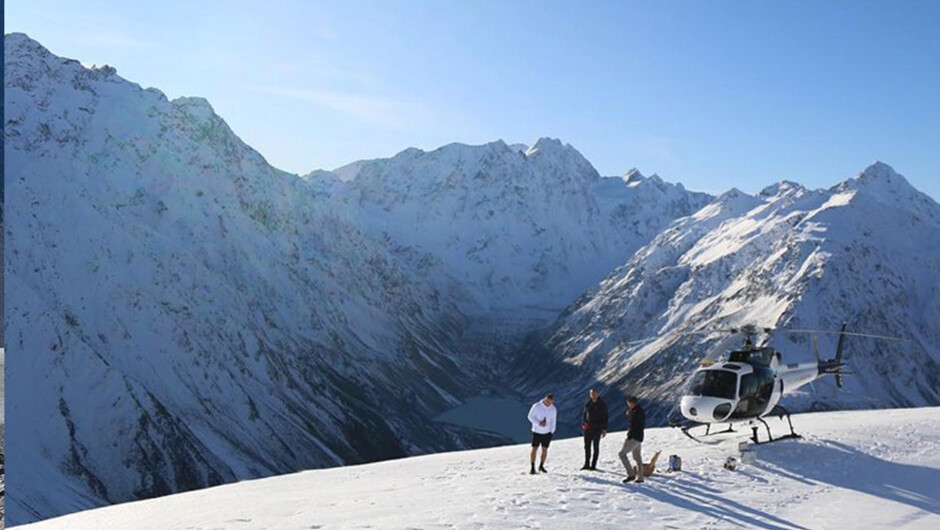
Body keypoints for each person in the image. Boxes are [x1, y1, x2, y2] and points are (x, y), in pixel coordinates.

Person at [527, 393, 557, 474]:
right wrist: (538, 423)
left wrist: (552, 431)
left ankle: (541, 466)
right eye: (547, 401)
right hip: (537, 431)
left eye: (550, 402)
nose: (549, 403)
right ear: (545, 399)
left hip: (547, 433)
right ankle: (532, 467)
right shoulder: (536, 406)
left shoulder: (553, 409)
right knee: (534, 448)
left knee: (545, 449)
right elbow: (530, 416)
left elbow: (554, 420)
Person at [619, 395, 645, 483]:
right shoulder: (639, 411)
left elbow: (633, 424)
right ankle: (640, 477)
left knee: (622, 454)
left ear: (632, 403)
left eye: (629, 403)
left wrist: (629, 436)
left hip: (634, 437)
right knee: (637, 457)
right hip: (639, 437)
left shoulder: (634, 412)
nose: (628, 405)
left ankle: (631, 474)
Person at [581, 388, 608, 470]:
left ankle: (593, 465)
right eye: (592, 394)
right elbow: (585, 415)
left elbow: (605, 417)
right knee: (587, 447)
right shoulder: (587, 404)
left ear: (598, 394)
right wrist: (584, 424)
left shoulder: (602, 404)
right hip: (588, 429)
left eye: (595, 393)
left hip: (597, 428)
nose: (593, 395)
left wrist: (604, 428)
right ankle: (586, 464)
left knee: (595, 446)